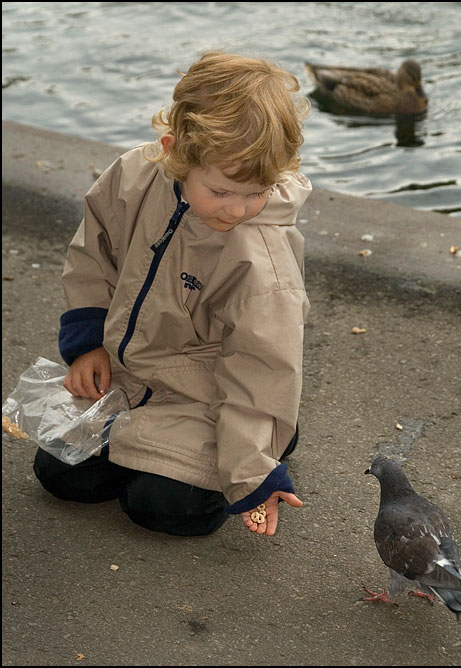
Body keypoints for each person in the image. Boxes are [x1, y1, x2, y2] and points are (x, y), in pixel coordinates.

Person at [33, 50, 312, 537]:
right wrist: (88, 343)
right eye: (222, 191)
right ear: (175, 150)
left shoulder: (260, 254)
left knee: (162, 507)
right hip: (127, 374)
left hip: (206, 391)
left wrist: (250, 475)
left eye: (258, 191)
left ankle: (265, 440)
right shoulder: (134, 177)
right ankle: (157, 448)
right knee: (58, 474)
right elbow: (94, 254)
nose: (239, 208)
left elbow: (263, 362)